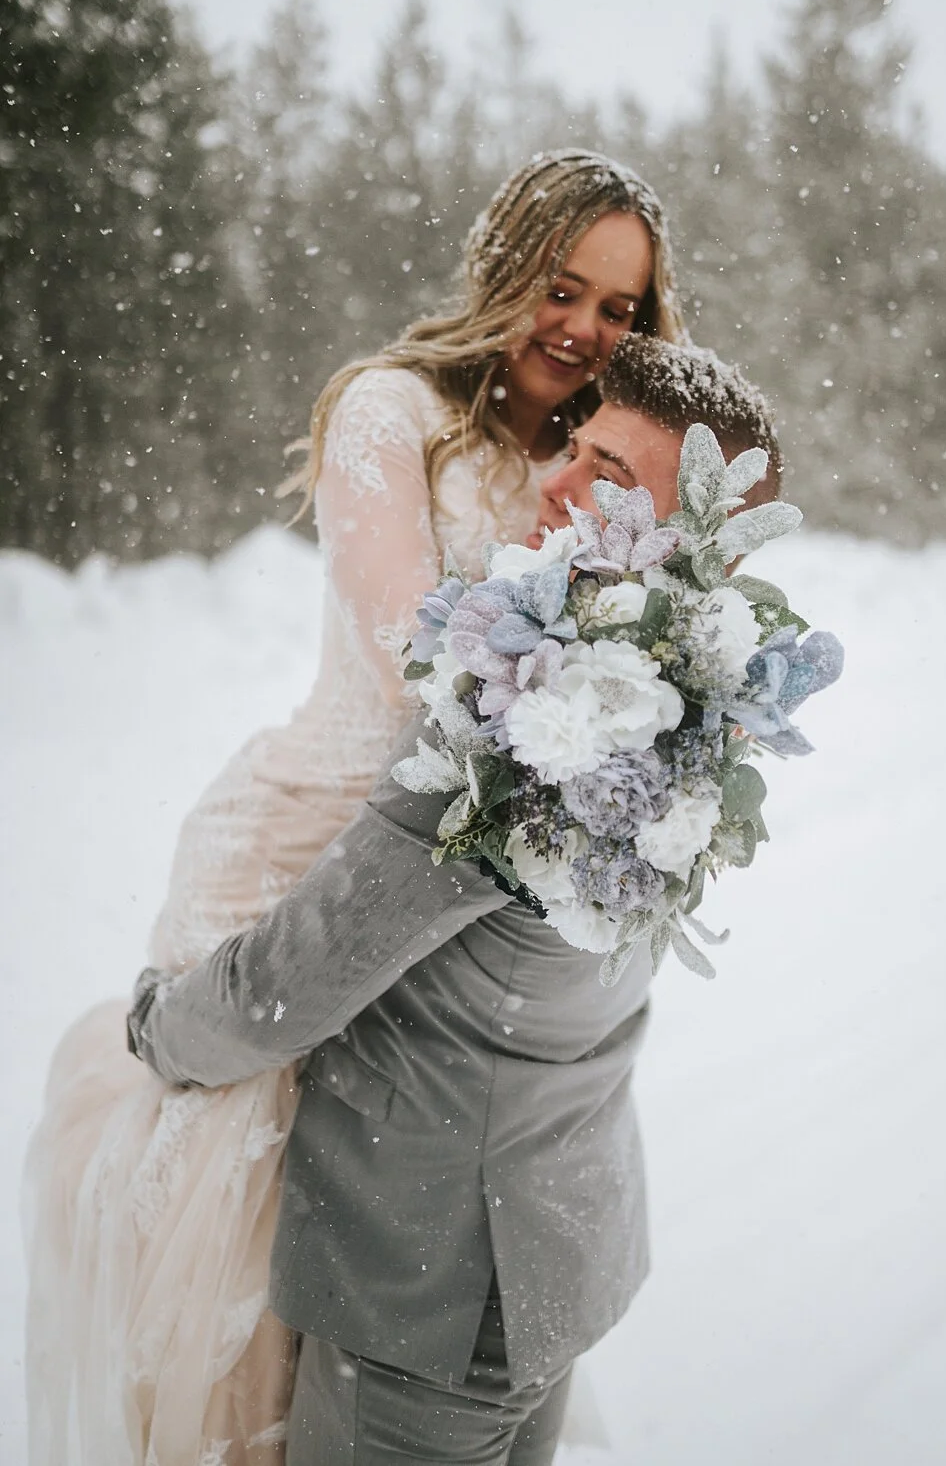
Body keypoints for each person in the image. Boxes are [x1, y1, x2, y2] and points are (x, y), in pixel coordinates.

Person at [23, 149, 686, 1465]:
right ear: (508, 266)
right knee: (257, 1234)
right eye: (565, 285)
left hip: (439, 857)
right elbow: (424, 664)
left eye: (620, 307)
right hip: (303, 845)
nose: (585, 327)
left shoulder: (591, 457)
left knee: (401, 1198)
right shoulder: (393, 412)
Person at [119, 333, 778, 1463]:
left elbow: (286, 982)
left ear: (687, 534)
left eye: (610, 475)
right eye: (577, 445)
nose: (557, 479)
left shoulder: (520, 730)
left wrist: (156, 1021)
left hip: (429, 1295)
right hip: (557, 1255)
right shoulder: (694, 719)